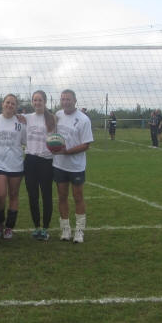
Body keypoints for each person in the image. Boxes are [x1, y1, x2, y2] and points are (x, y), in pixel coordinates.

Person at [54, 89, 94, 244]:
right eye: (63, 99)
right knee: (62, 196)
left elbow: (86, 145)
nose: (65, 102)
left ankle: (79, 231)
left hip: (76, 166)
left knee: (78, 197)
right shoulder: (58, 115)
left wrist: (67, 151)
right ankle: (65, 229)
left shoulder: (84, 119)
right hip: (59, 164)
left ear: (75, 101)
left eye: (68, 99)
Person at [0, 94, 26, 239]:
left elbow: (25, 141)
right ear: (3, 104)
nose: (10, 105)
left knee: (14, 195)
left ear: (16, 107)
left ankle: (9, 227)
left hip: (16, 164)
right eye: (7, 102)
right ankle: (0, 222)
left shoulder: (21, 122)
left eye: (13, 103)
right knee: (0, 195)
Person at [24, 90, 55, 241]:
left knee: (46, 195)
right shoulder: (27, 118)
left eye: (40, 100)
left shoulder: (52, 119)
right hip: (30, 160)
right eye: (35, 100)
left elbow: (57, 138)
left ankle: (45, 228)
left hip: (46, 161)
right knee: (33, 195)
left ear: (45, 102)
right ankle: (36, 227)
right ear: (32, 102)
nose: (37, 102)